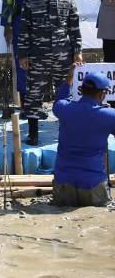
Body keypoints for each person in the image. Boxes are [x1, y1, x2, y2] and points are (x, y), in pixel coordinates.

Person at [17, 0, 82, 145]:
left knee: (65, 93)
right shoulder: (30, 0)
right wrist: (23, 54)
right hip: (38, 55)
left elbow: (74, 28)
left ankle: (67, 131)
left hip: (63, 55)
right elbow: (24, 29)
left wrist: (77, 51)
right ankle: (33, 133)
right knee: (34, 93)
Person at [51, 69, 115, 207]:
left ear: (81, 89)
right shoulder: (109, 115)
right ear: (102, 93)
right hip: (93, 185)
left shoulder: (64, 109)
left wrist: (68, 79)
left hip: (63, 184)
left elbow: (59, 100)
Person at [1, 0, 44, 103]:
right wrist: (7, 26)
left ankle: (38, 101)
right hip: (21, 23)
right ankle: (26, 102)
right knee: (22, 61)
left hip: (42, 25)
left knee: (40, 62)